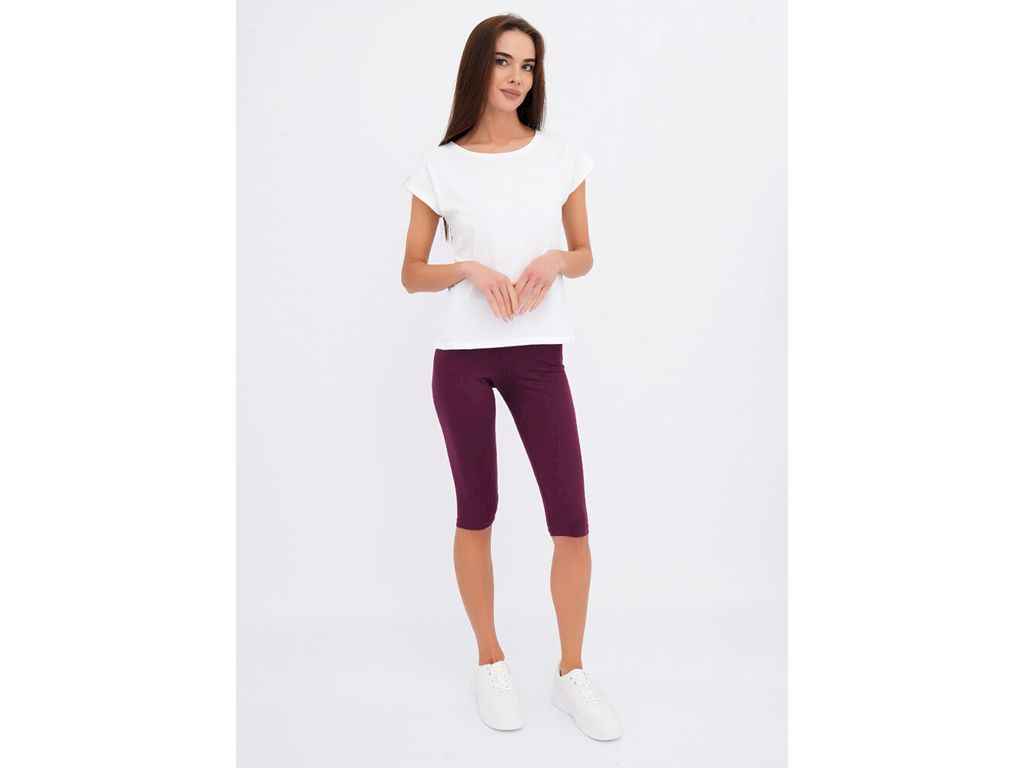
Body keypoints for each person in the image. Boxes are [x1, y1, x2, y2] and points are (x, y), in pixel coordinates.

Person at [401, 14, 622, 742]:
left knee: (571, 519)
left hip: (538, 357)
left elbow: (584, 252)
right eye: (503, 62)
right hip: (463, 359)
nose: (517, 77)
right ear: (479, 67)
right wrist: (467, 268)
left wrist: (557, 260)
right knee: (477, 510)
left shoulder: (560, 159)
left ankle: (571, 672)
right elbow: (411, 273)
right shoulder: (440, 167)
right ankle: (490, 660)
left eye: (528, 65)